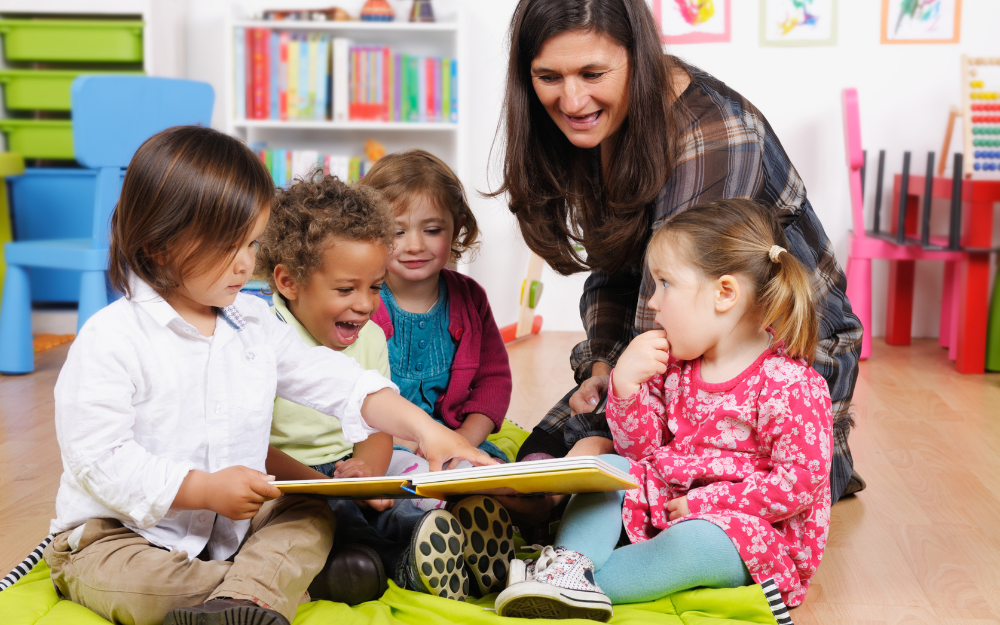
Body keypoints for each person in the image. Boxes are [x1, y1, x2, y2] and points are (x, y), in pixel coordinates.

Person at [42, 126, 493, 625]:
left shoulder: (252, 324)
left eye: (252, 242)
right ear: (158, 246)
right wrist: (202, 490)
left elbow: (339, 382)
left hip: (229, 531)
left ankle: (249, 594)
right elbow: (100, 460)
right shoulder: (111, 337)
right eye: (225, 245)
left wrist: (429, 432)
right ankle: (268, 590)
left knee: (310, 512)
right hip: (117, 536)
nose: (245, 263)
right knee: (146, 589)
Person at [490, 0, 863, 522]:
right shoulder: (600, 121)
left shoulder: (714, 135)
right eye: (548, 77)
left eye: (592, 73)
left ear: (639, 56)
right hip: (678, 344)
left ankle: (829, 458)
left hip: (781, 355)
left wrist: (597, 435)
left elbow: (677, 317)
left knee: (622, 482)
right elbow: (614, 271)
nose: (571, 100)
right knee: (542, 455)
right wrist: (602, 366)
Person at [495, 199, 833, 621]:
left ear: (724, 293)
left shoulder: (790, 385)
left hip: (748, 534)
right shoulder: (673, 366)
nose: (652, 302)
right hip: (667, 503)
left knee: (694, 545)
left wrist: (706, 503)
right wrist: (625, 388)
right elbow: (640, 452)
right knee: (610, 468)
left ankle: (574, 588)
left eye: (665, 284)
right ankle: (567, 563)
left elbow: (798, 483)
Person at [359, 150, 518, 598]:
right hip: (385, 444)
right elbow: (349, 392)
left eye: (432, 230)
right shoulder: (362, 302)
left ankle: (481, 541)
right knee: (402, 491)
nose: (415, 245)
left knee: (505, 481)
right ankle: (429, 541)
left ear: (456, 230)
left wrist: (466, 440)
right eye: (396, 232)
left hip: (454, 439)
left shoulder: (468, 297)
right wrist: (412, 442)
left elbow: (493, 380)